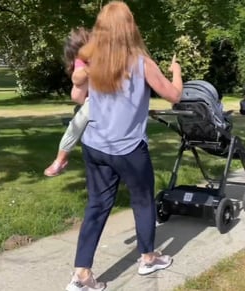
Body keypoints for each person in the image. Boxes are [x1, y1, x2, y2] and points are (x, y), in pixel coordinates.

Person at [65, 2, 183, 291]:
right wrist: (176, 71)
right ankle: (148, 258)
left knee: (96, 206)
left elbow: (78, 98)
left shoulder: (94, 61)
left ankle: (81, 276)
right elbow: (174, 96)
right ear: (130, 27)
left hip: (95, 146)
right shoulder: (141, 62)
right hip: (128, 149)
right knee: (142, 201)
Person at [44, 28, 91, 177]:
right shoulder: (82, 62)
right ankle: (61, 158)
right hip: (93, 101)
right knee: (77, 124)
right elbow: (77, 79)